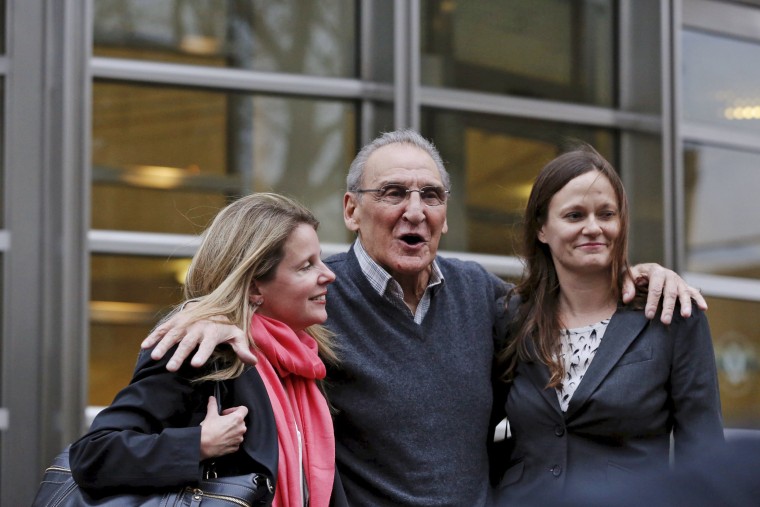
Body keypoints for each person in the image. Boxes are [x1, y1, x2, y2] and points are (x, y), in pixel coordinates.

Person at [141, 130, 706, 506]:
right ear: (351, 210)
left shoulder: (485, 298)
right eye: (393, 193)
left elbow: (571, 306)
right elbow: (246, 297)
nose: (415, 210)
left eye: (431, 195)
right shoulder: (317, 295)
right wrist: (206, 314)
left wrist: (644, 275)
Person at [69, 193, 347, 507]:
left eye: (320, 259)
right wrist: (197, 444)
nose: (328, 274)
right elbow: (93, 455)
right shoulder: (202, 350)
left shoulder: (304, 363)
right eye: (306, 266)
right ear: (255, 286)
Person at [492, 145, 723, 505]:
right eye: (574, 215)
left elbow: (705, 455)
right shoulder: (511, 318)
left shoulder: (671, 313)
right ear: (541, 228)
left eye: (606, 213)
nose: (593, 228)